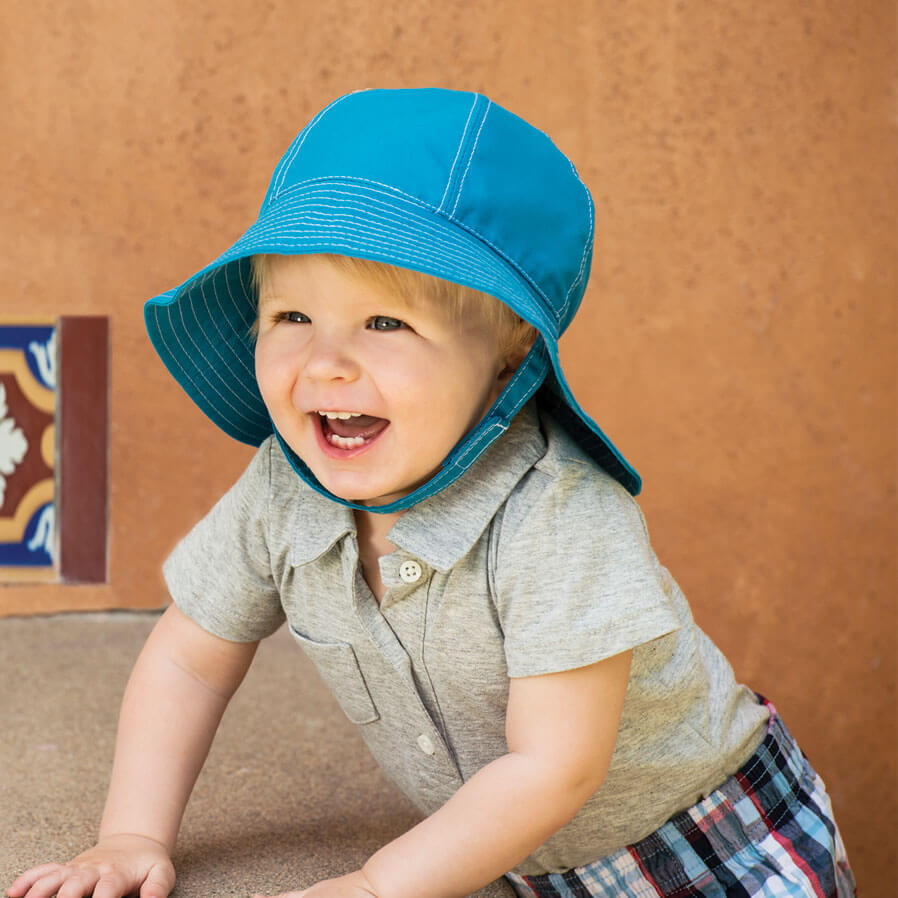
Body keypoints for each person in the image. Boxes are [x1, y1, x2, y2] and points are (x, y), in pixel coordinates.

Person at [7, 88, 856, 898]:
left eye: (386, 323)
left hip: (713, 848)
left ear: (507, 351)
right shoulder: (282, 489)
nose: (325, 363)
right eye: (290, 318)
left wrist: (378, 883)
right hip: (519, 860)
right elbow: (190, 663)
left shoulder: (556, 514)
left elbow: (554, 767)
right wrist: (132, 834)